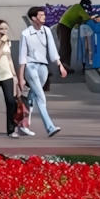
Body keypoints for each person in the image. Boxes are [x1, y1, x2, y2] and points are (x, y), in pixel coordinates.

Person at [17, 7, 66, 137]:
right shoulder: (26, 34)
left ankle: (22, 125)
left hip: (43, 67)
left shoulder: (47, 31)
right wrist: (21, 77)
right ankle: (50, 127)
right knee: (41, 97)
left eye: (44, 15)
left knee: (32, 97)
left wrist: (60, 65)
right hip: (30, 67)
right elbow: (22, 58)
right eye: (41, 15)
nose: (44, 17)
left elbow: (52, 50)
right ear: (33, 18)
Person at [55, 0, 97, 74]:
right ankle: (61, 67)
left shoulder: (76, 7)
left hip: (64, 27)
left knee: (68, 48)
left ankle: (66, 66)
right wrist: (94, 20)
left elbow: (79, 20)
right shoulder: (78, 8)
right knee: (64, 47)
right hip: (64, 27)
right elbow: (87, 18)